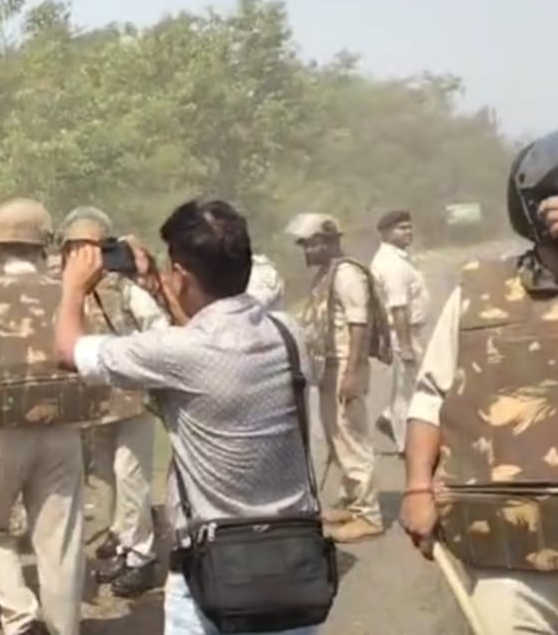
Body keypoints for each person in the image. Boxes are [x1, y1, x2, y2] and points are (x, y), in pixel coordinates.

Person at [55, 199, 321, 635]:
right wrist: (159, 284)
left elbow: (69, 351)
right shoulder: (289, 333)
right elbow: (207, 325)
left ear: (182, 274)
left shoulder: (175, 353)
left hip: (211, 568)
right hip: (290, 558)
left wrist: (72, 287)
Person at [400, 127, 558, 635]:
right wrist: (418, 488)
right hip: (508, 561)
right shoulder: (480, 290)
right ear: (550, 209)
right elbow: (430, 396)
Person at [0, 197, 86, 635]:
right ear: (44, 244)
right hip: (63, 427)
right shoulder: (67, 288)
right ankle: (65, 629)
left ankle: (20, 616)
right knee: (60, 540)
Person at [58, 206, 170, 598]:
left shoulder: (125, 288)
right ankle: (122, 543)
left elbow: (158, 328)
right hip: (92, 404)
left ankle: (141, 555)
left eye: (91, 246)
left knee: (131, 475)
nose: (83, 254)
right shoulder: (63, 291)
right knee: (103, 477)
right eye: (76, 247)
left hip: (131, 397)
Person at [287, 212, 387, 543]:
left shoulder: (346, 275)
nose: (306, 252)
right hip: (328, 366)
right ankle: (350, 500)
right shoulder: (326, 275)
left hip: (344, 364)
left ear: (329, 240)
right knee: (336, 439)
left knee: (351, 439)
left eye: (311, 244)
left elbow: (360, 324)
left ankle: (368, 514)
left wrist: (354, 371)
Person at [369, 209, 429, 454]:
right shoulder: (391, 264)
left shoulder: (400, 259)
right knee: (407, 393)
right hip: (400, 334)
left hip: (408, 332)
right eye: (401, 228)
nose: (408, 232)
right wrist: (405, 346)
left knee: (410, 387)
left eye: (409, 227)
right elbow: (398, 308)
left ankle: (387, 419)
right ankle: (407, 445)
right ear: (385, 233)